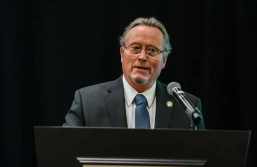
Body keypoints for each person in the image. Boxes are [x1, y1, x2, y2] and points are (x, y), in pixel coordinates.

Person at [63, 17, 205, 130]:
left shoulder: (188, 108)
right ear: (122, 54)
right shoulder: (88, 101)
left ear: (164, 61)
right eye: (135, 48)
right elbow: (65, 152)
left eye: (152, 50)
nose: (142, 57)